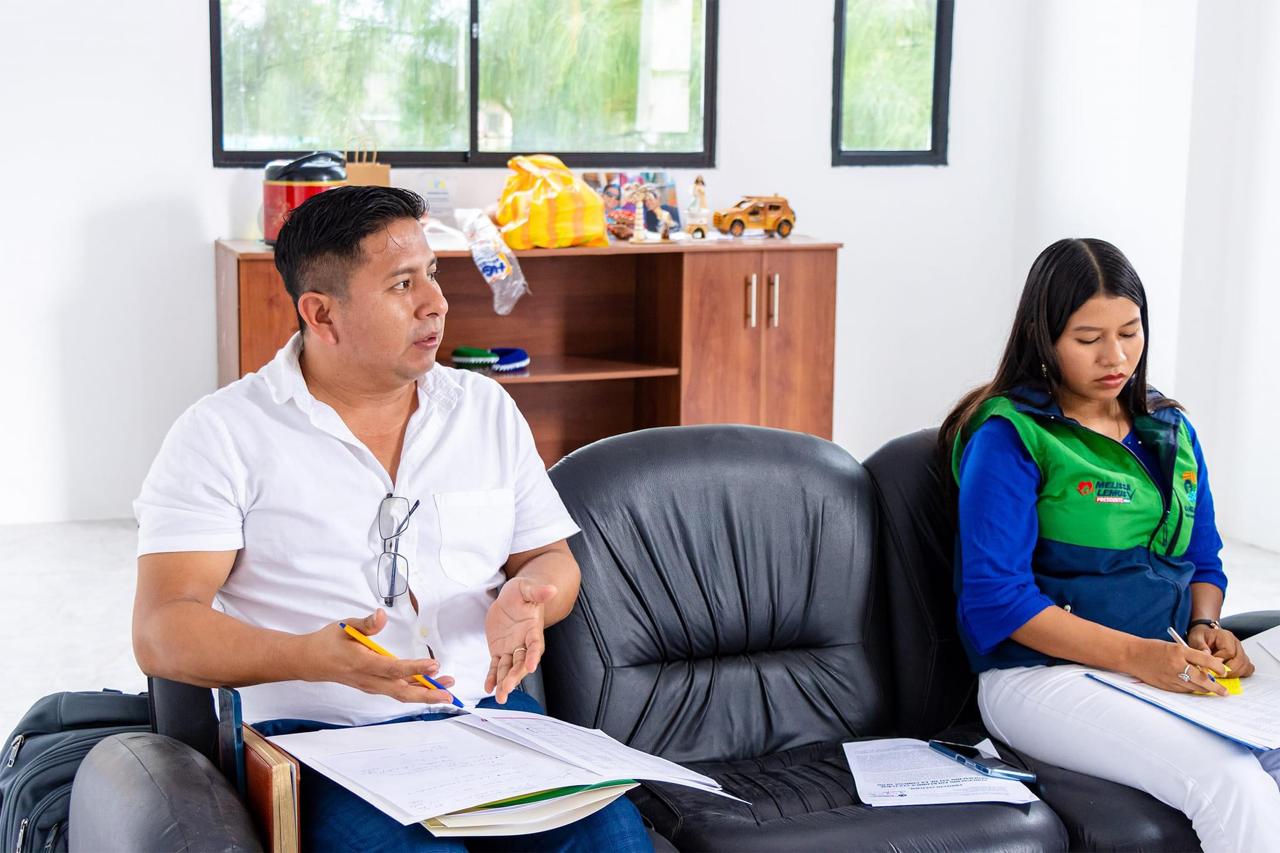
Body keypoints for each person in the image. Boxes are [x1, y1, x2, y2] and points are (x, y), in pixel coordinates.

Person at [132, 186, 652, 852]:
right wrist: (312, 658)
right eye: (403, 284)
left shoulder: (484, 410)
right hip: (320, 733)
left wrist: (533, 597)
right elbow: (162, 629)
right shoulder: (221, 433)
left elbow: (551, 561)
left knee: (613, 835)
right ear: (322, 313)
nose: (436, 302)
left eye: (432, 274)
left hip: (486, 716)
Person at [939, 237, 1280, 853]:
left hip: (1160, 660)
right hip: (1039, 677)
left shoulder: (1169, 428)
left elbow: (1203, 558)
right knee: (1231, 783)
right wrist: (1138, 657)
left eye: (1130, 331)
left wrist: (1205, 627)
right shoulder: (1011, 435)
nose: (1115, 356)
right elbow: (997, 600)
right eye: (1088, 338)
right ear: (1044, 338)